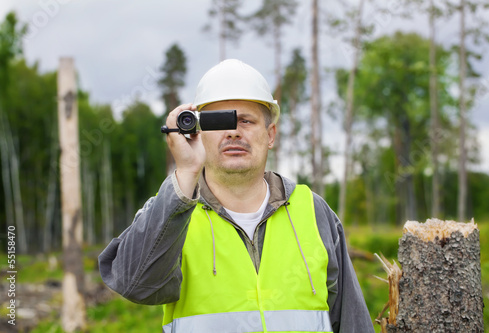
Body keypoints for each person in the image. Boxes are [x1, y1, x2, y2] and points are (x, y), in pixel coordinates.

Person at [99, 59, 374, 333]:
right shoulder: (172, 211)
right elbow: (134, 285)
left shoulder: (313, 211)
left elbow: (351, 321)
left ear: (270, 135)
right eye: (219, 121)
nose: (233, 131)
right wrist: (185, 171)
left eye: (246, 120)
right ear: (196, 132)